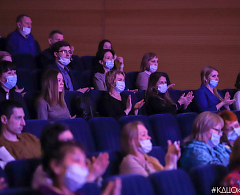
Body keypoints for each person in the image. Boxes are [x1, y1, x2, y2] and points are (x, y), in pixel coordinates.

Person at [32, 123, 110, 190]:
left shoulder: (77, 167)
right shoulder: (42, 171)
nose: (73, 146)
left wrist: (95, 176)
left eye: (72, 141)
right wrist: (91, 175)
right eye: (67, 142)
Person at [38, 142, 121, 194]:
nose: (82, 166)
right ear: (56, 166)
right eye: (76, 160)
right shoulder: (43, 192)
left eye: (84, 162)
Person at [0, 100, 41, 168]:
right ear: (4, 119)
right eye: (18, 118)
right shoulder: (2, 146)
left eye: (23, 118)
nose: (23, 123)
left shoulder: (29, 136)